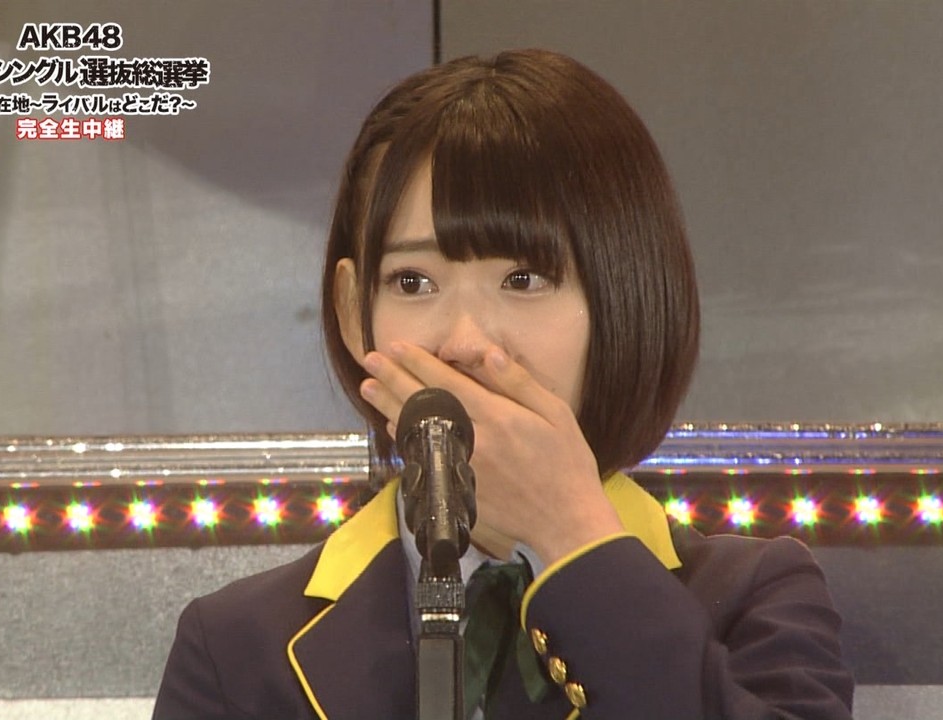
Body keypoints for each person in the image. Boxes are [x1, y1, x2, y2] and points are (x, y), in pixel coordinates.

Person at [154, 49, 854, 719]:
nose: (464, 341)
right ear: (348, 308)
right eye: (412, 282)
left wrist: (571, 534)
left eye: (523, 278)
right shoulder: (237, 649)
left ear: (627, 297)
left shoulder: (752, 600)